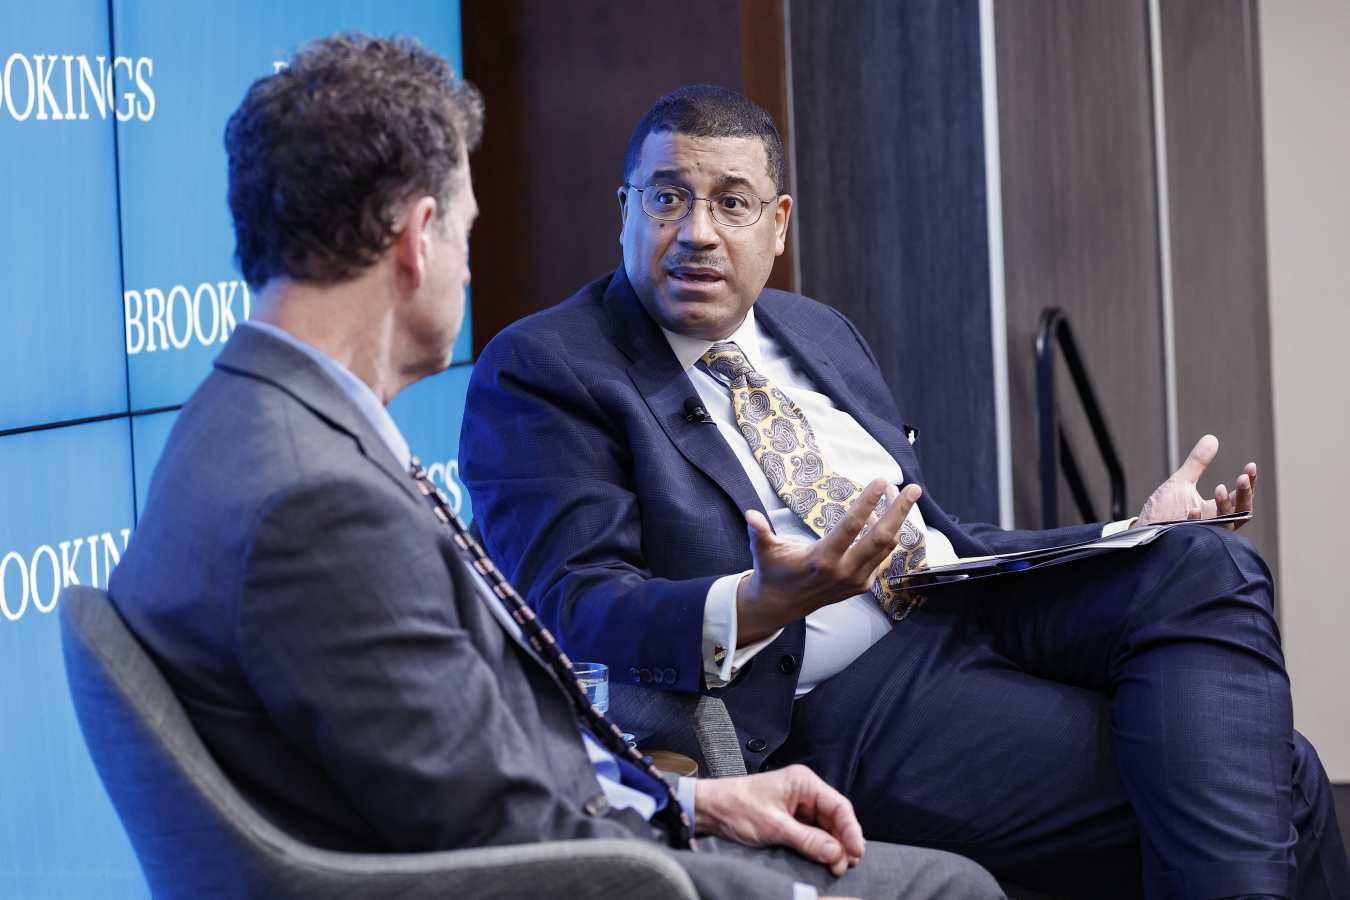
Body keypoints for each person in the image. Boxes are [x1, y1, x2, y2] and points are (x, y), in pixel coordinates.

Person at [106, 37, 1000, 900]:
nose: (467, 264)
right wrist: (729, 864)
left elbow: (470, 767)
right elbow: (501, 833)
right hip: (578, 874)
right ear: (421, 237)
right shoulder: (317, 503)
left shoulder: (241, 424)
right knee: (947, 888)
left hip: (575, 826)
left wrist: (693, 798)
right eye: (466, 231)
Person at [459, 85, 1350, 899]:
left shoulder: (814, 328)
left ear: (778, 224)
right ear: (624, 211)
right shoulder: (548, 367)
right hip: (833, 701)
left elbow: (932, 532)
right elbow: (568, 608)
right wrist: (757, 603)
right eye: (667, 197)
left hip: (958, 607)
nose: (697, 230)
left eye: (732, 202)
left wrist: (1125, 535)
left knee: (1204, 561)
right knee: (1284, 775)